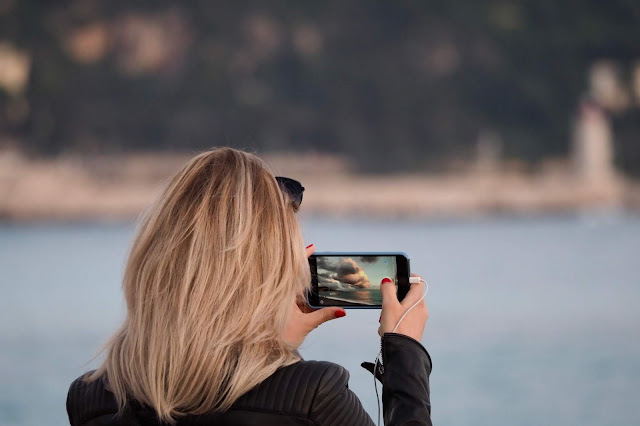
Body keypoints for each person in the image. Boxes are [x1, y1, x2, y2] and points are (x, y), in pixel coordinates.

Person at [66, 147, 432, 425]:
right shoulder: (315, 394)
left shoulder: (90, 399)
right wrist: (405, 355)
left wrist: (277, 347)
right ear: (270, 272)